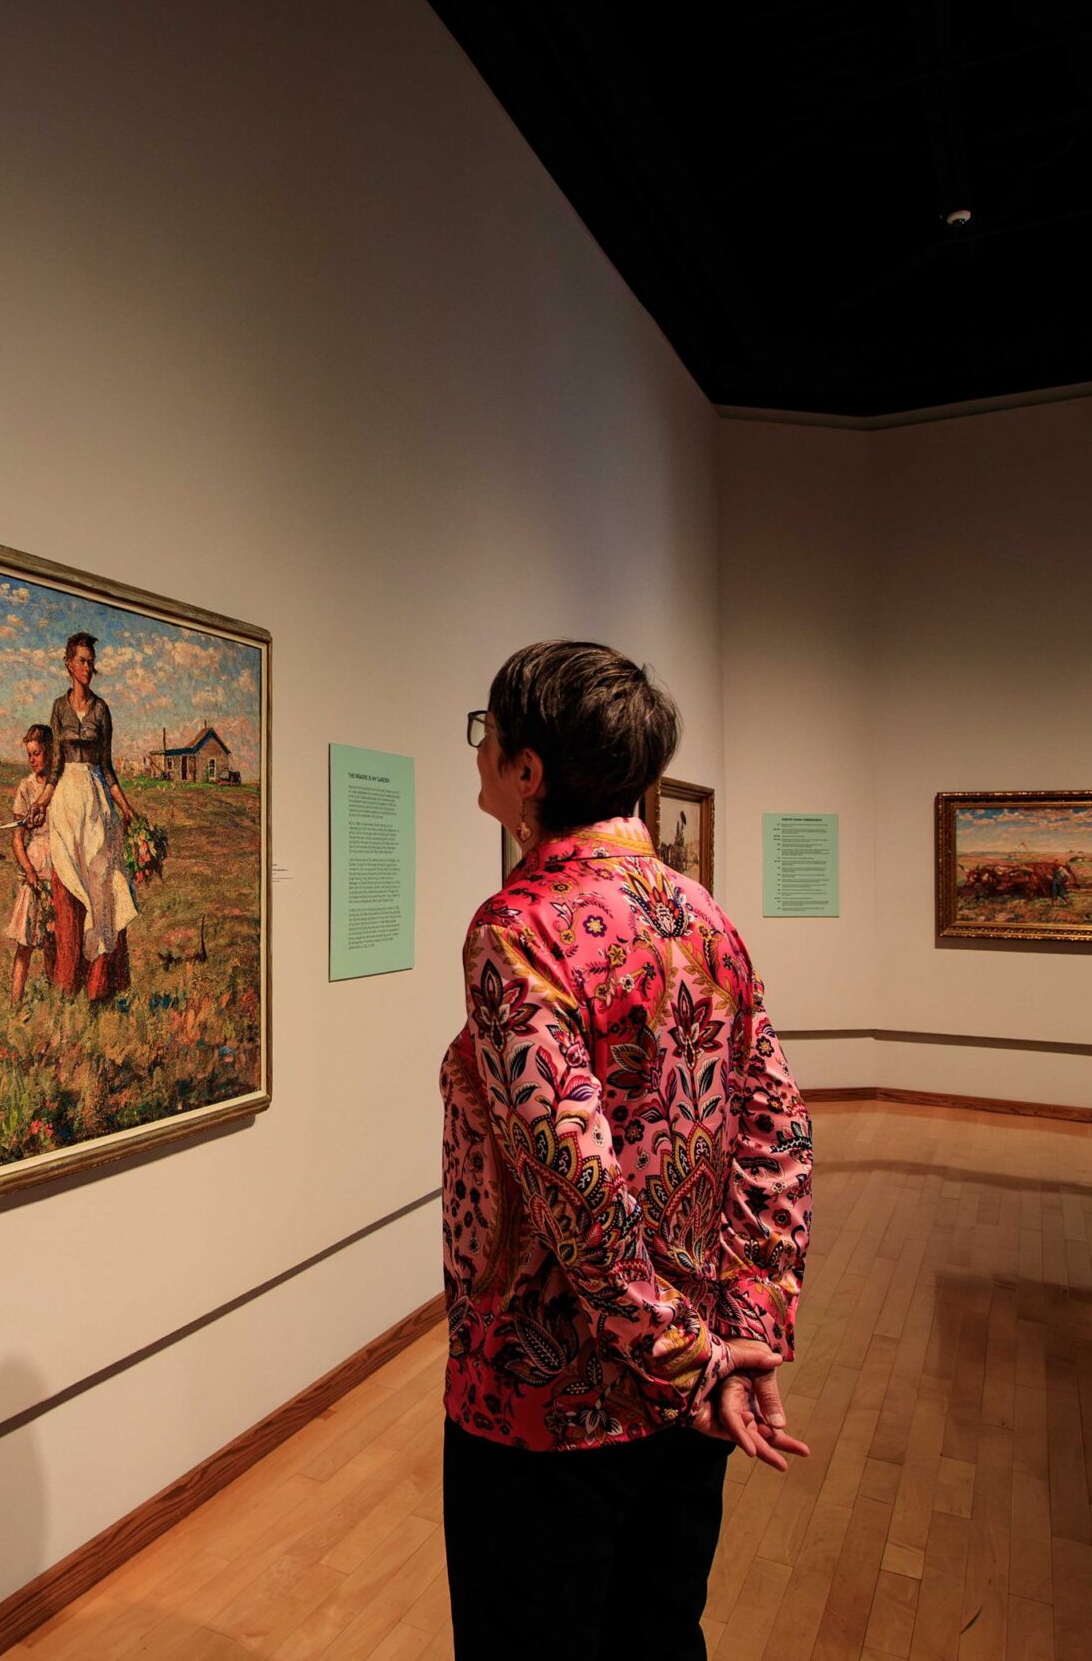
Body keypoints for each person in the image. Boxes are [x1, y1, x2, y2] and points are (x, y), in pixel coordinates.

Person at [443, 640, 814, 1661]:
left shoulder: (518, 927)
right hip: (692, 1387)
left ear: (530, 769)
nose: (481, 756)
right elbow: (776, 1132)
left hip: (546, 1398)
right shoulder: (705, 917)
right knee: (656, 1635)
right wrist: (743, 1329)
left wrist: (685, 1361)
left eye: (490, 735)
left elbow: (573, 1180)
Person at [44, 631, 147, 1000]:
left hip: (97, 801)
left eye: (91, 661)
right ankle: (69, 980)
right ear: (68, 664)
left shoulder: (102, 710)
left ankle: (100, 983)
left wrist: (127, 808)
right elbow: (56, 764)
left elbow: (107, 766)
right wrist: (42, 801)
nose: (87, 667)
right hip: (67, 803)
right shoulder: (58, 708)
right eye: (81, 661)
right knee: (70, 888)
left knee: (102, 888)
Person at [4, 724, 59, 1004]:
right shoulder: (26, 788)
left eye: (37, 753)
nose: (32, 760)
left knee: (53, 940)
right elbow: (17, 838)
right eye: (29, 755)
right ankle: (16, 1001)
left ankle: (56, 997)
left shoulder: (58, 786)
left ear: (49, 751)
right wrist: (29, 871)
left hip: (59, 867)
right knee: (25, 942)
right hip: (36, 867)